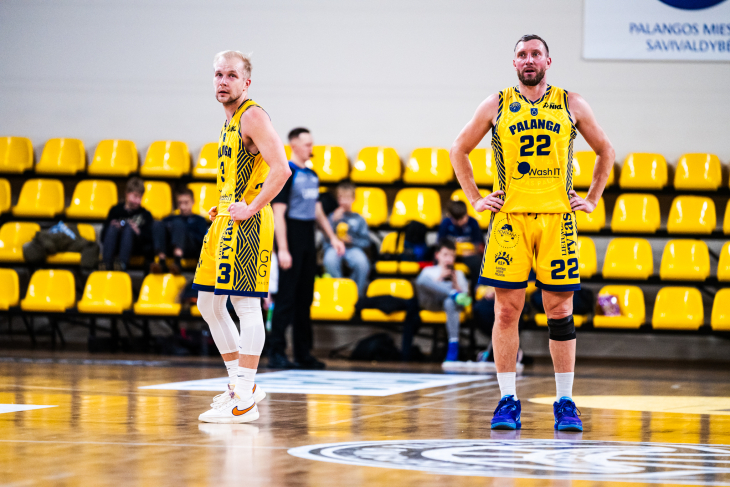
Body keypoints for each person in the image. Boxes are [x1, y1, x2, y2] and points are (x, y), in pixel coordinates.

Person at [450, 34, 614, 431]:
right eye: (522, 54)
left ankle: (565, 402)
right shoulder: (497, 103)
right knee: (506, 311)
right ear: (514, 63)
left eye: (535, 54)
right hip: (510, 220)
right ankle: (507, 400)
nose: (528, 60)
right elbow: (459, 149)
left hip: (557, 220)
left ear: (548, 61)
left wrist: (592, 198)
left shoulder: (571, 103)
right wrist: (475, 199)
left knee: (560, 311)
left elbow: (605, 150)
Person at [192, 50, 291, 424]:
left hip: (248, 223)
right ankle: (238, 384)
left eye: (231, 75)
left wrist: (250, 207)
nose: (223, 81)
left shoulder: (252, 115)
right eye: (218, 74)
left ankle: (244, 397)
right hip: (225, 220)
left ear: (246, 82)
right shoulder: (229, 120)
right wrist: (224, 204)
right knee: (208, 304)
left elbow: (282, 170)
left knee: (246, 306)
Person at [268, 128, 346, 370]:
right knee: (286, 299)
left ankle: (303, 353)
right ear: (293, 145)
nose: (311, 148)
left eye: (311, 144)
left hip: (307, 238)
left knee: (304, 299)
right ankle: (276, 352)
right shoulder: (286, 173)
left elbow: (317, 211)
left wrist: (332, 237)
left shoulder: (312, 175)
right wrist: (282, 248)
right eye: (306, 144)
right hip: (291, 237)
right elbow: (278, 213)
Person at [414, 239, 471, 363]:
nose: (448, 259)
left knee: (450, 302)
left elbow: (465, 299)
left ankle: (453, 345)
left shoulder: (459, 273)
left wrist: (455, 283)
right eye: (445, 255)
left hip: (452, 305)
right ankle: (452, 294)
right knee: (421, 279)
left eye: (452, 256)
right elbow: (421, 283)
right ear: (437, 255)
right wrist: (440, 279)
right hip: (432, 302)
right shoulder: (429, 271)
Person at [323, 182, 371, 296]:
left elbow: (366, 242)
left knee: (362, 263)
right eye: (341, 197)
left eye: (347, 198)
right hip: (334, 248)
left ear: (353, 199)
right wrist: (333, 221)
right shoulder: (332, 217)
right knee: (329, 260)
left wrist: (352, 241)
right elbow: (325, 239)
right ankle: (340, 292)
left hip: (353, 248)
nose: (343, 201)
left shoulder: (359, 219)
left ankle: (356, 294)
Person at [151, 188, 209, 274]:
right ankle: (161, 261)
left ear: (193, 202)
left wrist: (185, 231)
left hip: (190, 249)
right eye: (180, 203)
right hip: (171, 247)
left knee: (178, 223)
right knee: (158, 224)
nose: (182, 207)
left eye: (186, 203)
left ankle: (177, 262)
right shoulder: (170, 219)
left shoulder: (199, 220)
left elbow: (202, 241)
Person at [101, 177, 153, 271]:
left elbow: (150, 240)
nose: (138, 201)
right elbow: (102, 236)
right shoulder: (115, 211)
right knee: (113, 227)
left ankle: (121, 265)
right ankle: (106, 264)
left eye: (140, 197)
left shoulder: (145, 214)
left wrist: (137, 231)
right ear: (127, 193)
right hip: (115, 245)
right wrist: (116, 226)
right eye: (135, 196)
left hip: (136, 248)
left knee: (128, 228)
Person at [437, 200, 484, 290]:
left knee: (477, 261)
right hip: (450, 255)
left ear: (466, 214)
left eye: (462, 218)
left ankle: (477, 290)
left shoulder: (473, 223)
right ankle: (440, 287)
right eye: (456, 219)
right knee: (438, 258)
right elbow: (441, 244)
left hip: (468, 256)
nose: (459, 222)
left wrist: (463, 251)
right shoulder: (445, 223)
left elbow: (478, 246)